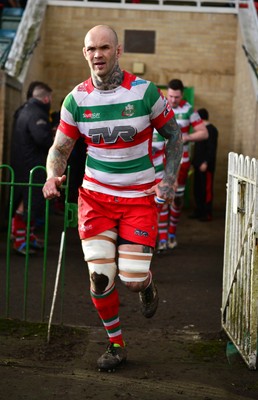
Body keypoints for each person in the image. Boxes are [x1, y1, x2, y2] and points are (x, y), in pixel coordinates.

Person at [42, 25, 183, 371]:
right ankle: (116, 344)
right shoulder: (76, 99)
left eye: (105, 48)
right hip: (95, 198)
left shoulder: (145, 92)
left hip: (138, 197)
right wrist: (51, 174)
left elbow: (175, 137)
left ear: (118, 51)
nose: (98, 55)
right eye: (91, 49)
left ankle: (147, 284)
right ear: (84, 53)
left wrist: (167, 181)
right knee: (101, 278)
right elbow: (60, 148)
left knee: (131, 279)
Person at [159, 79, 208, 250]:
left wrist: (186, 137)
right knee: (163, 197)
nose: (173, 100)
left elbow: (204, 132)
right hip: (162, 161)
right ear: (167, 93)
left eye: (177, 97)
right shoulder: (161, 106)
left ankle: (172, 234)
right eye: (171, 96)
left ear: (182, 95)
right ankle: (163, 238)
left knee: (177, 200)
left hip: (182, 162)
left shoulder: (188, 110)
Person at [10, 81, 53, 255]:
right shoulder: (36, 114)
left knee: (27, 203)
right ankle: (20, 240)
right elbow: (42, 139)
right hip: (32, 165)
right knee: (29, 204)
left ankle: (27, 236)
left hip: (22, 163)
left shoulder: (24, 109)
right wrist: (54, 136)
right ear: (45, 98)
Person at [190, 108, 218, 221]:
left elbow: (211, 149)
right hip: (198, 165)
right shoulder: (200, 131)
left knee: (206, 190)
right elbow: (197, 149)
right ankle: (199, 211)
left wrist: (205, 162)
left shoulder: (212, 130)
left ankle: (207, 213)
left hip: (206, 167)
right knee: (197, 189)